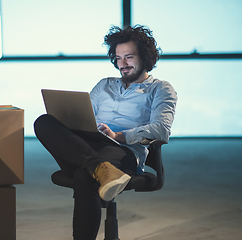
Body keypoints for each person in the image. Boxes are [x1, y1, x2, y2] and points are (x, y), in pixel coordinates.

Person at [34, 25, 177, 240]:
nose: (123, 64)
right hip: (89, 145)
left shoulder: (160, 89)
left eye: (129, 57)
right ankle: (101, 168)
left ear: (145, 57)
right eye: (118, 58)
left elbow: (161, 130)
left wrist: (118, 136)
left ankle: (98, 168)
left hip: (123, 151)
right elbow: (84, 117)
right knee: (43, 122)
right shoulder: (104, 85)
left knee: (84, 175)